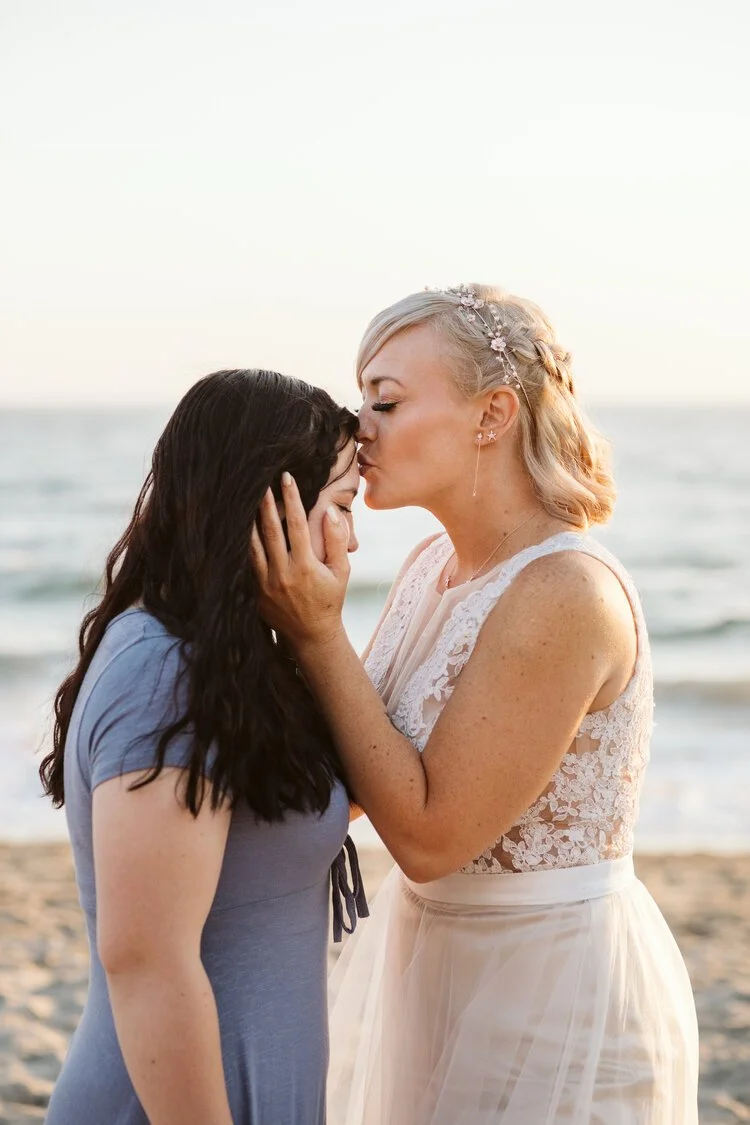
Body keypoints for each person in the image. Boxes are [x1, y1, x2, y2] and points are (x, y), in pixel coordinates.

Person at [251, 287, 700, 1124]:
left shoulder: (567, 591)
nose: (358, 427)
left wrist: (317, 631)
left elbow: (430, 837)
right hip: (432, 974)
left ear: (492, 414)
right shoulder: (430, 565)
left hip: (551, 994)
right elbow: (354, 776)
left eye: (386, 401)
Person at [42, 368, 366, 1125]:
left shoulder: (231, 662)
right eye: (344, 506)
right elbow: (145, 960)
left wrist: (318, 633)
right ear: (269, 509)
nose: (351, 539)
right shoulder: (163, 671)